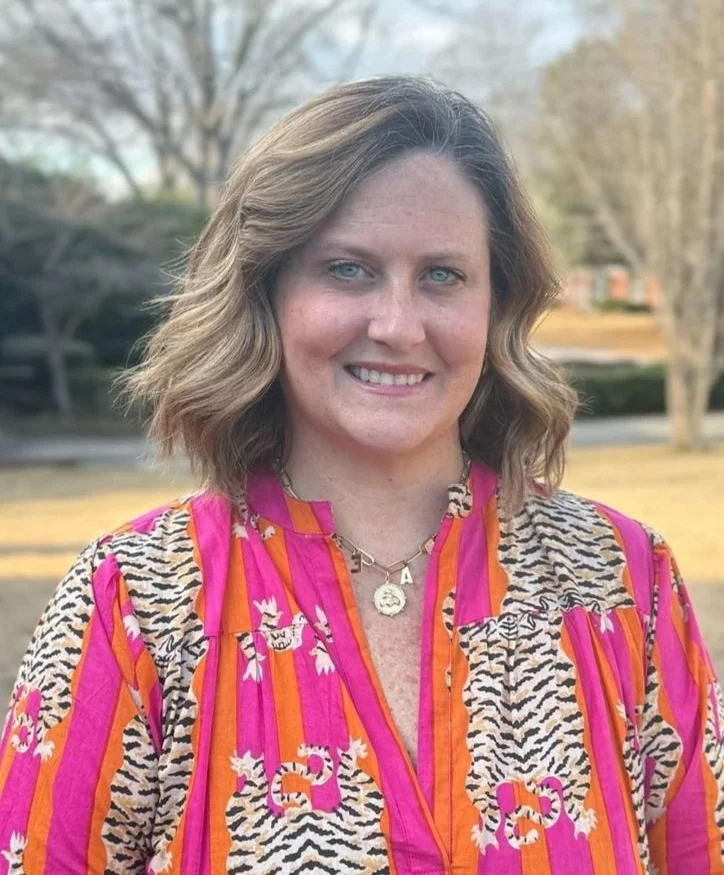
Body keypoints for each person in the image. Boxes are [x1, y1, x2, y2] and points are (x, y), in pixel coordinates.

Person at [0, 75, 722, 875]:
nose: (398, 325)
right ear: (266, 291)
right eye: (348, 269)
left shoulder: (622, 582)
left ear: (497, 305)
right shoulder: (136, 601)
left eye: (443, 275)